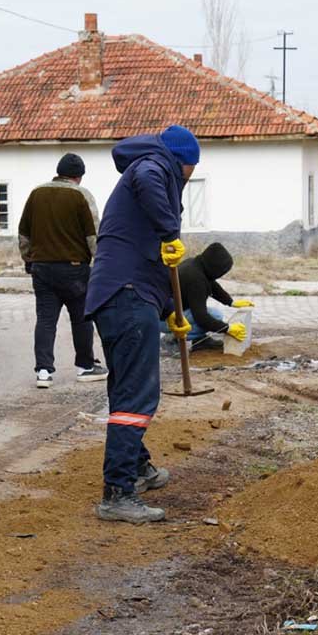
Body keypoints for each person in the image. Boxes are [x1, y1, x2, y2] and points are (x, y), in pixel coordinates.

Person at [84, 125, 200, 524]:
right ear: (183, 162)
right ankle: (118, 492)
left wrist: (170, 311)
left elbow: (152, 261)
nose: (189, 179)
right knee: (136, 394)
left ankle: (136, 466)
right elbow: (149, 180)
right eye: (191, 170)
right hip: (127, 295)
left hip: (125, 295)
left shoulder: (152, 168)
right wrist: (170, 230)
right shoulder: (153, 165)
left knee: (127, 388)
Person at [17, 153, 108, 389]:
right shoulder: (81, 195)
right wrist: (101, 263)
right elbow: (93, 235)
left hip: (42, 268)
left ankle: (43, 372)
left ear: (58, 172)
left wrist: (28, 259)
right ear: (79, 176)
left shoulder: (36, 193)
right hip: (75, 269)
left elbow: (24, 233)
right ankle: (85, 366)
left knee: (46, 320)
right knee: (81, 318)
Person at [175, 242, 253, 348]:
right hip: (168, 319)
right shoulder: (196, 281)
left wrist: (231, 302)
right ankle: (174, 338)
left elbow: (211, 284)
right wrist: (227, 328)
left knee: (211, 314)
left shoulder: (195, 264)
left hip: (170, 311)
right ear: (215, 269)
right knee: (216, 315)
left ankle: (200, 341)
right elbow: (201, 318)